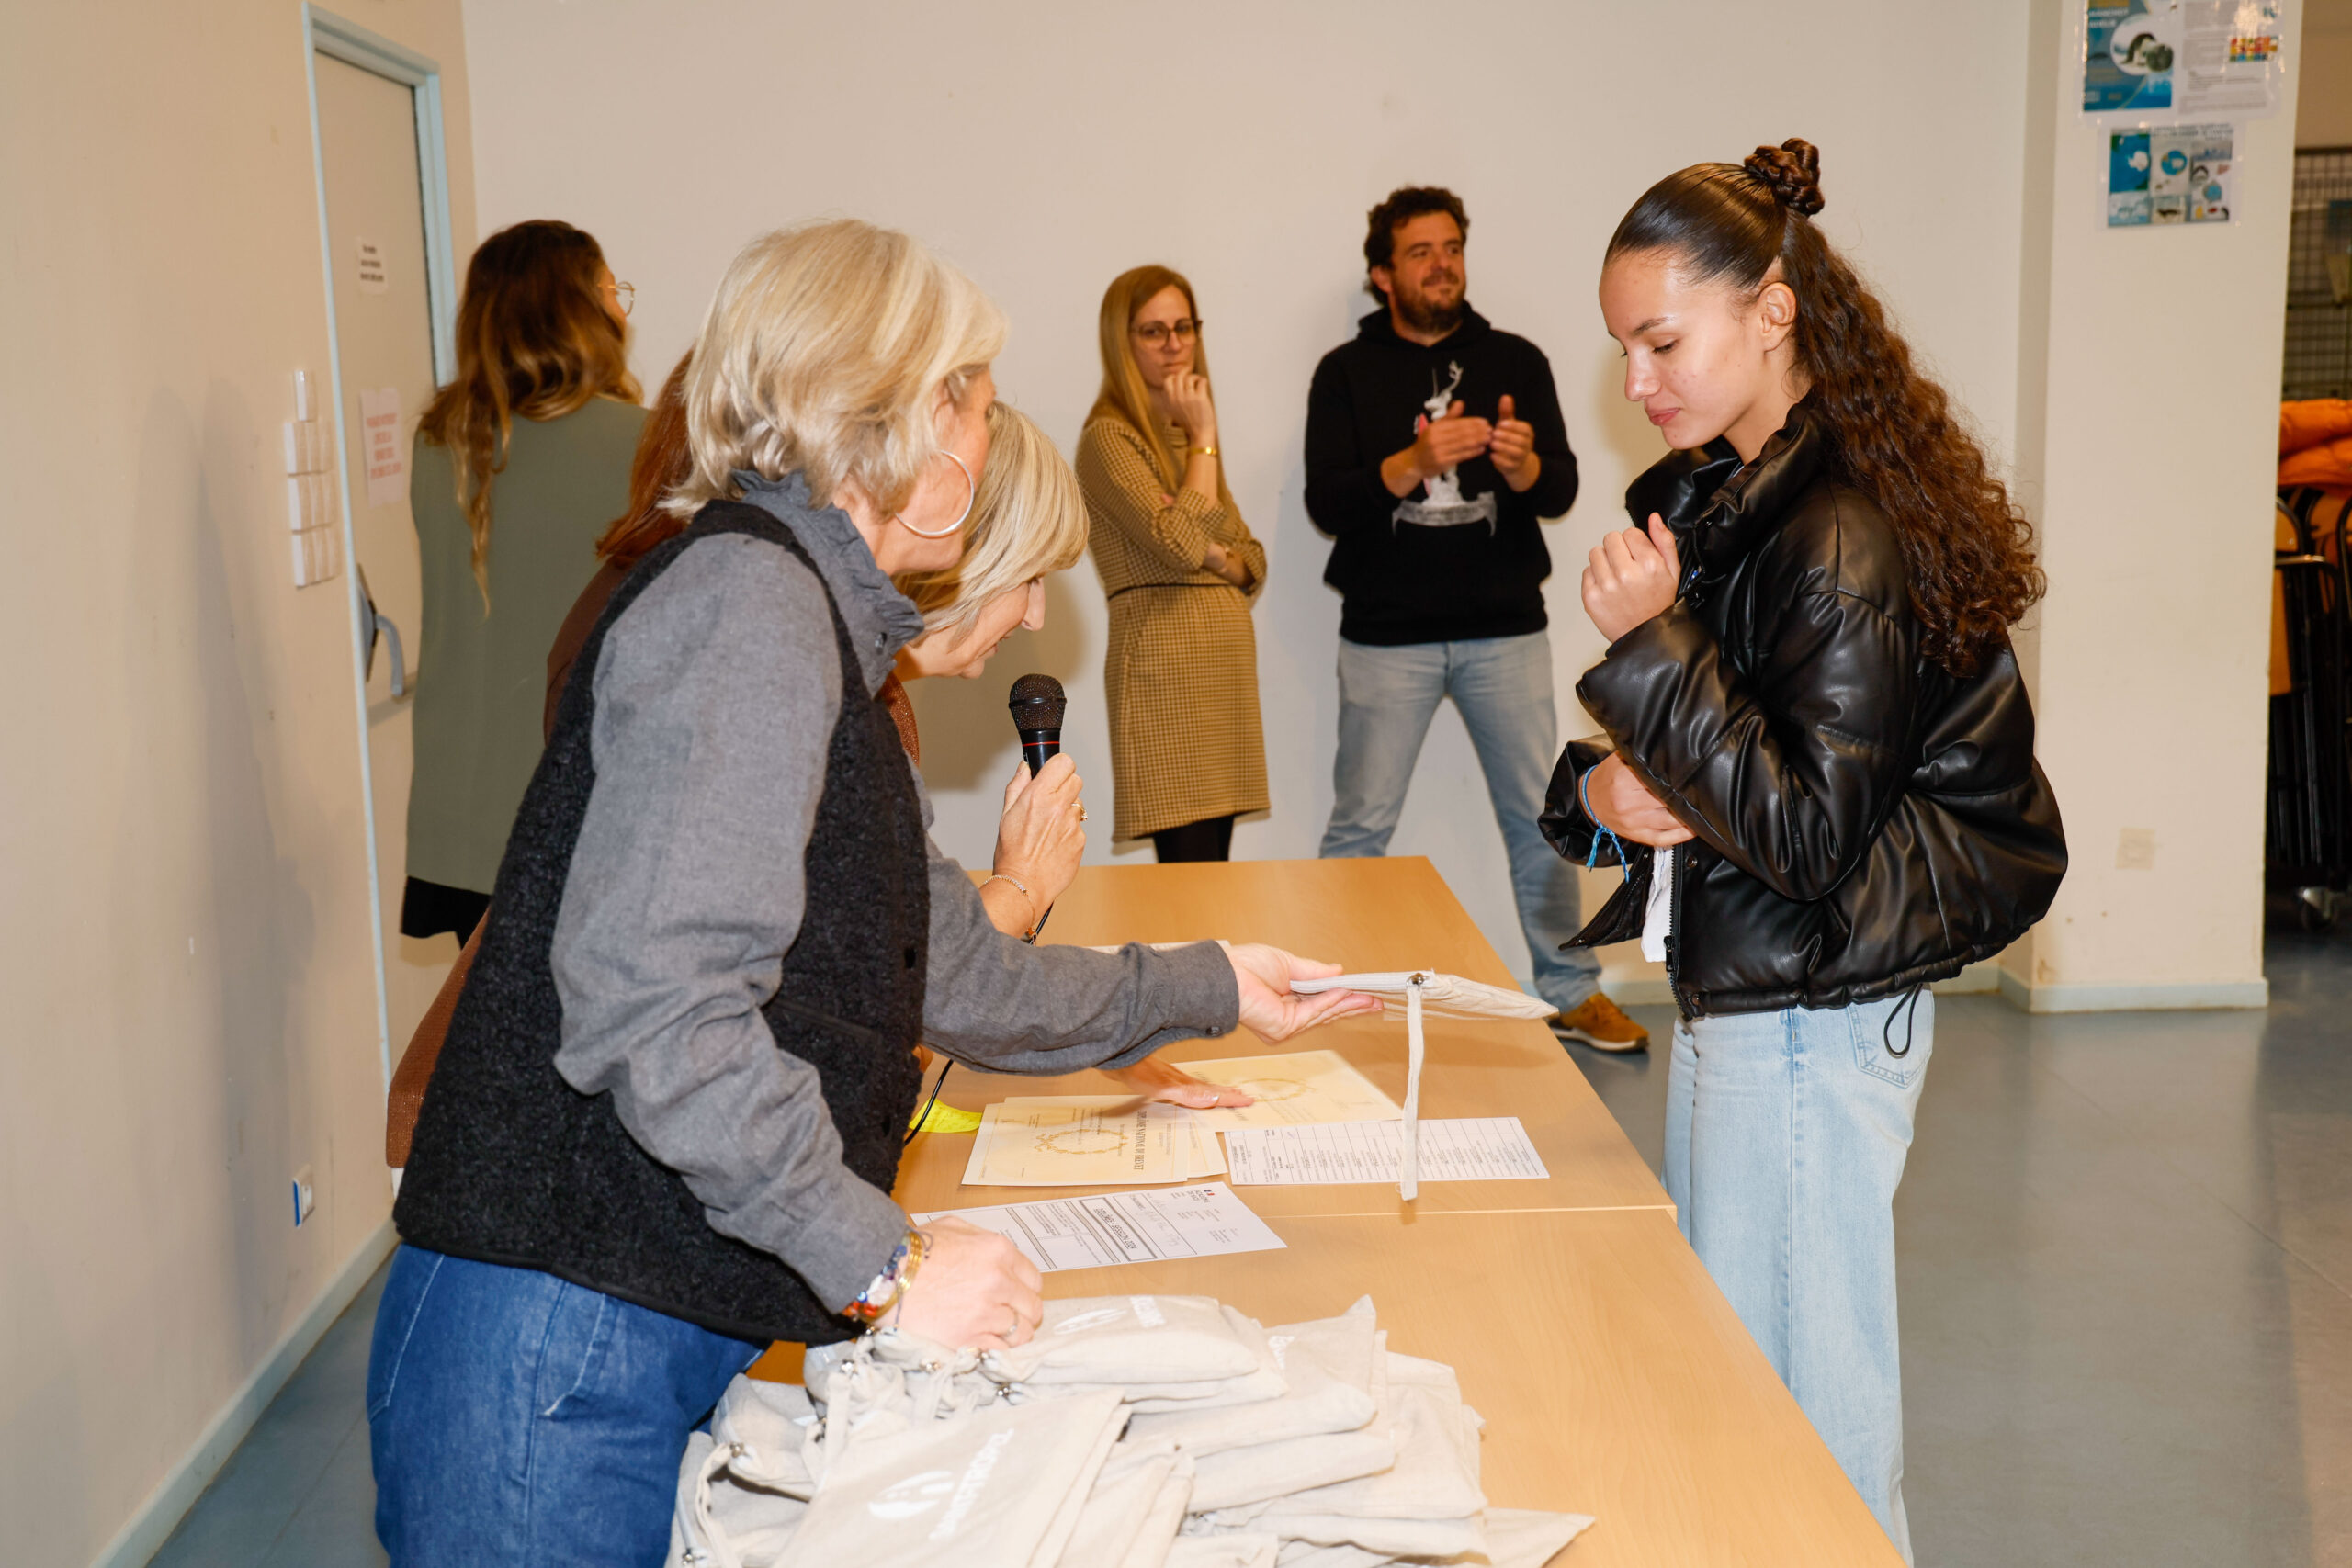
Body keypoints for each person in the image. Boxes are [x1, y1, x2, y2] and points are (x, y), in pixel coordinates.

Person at [371, 220, 1371, 1566]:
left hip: (628, 1305)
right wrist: (887, 1265)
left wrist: (1218, 983)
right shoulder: (751, 607)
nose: (985, 435)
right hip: (556, 1335)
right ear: (892, 421)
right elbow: (660, 1013)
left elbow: (956, 969)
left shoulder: (815, 622)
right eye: (976, 401)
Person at [1544, 140, 2066, 1562]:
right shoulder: (1731, 501)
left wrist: (1650, 645)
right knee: (1749, 1391)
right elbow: (1703, 766)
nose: (1638, 379)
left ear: (1771, 311)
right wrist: (1602, 789)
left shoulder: (1833, 535)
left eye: (1663, 341)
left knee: (1807, 1426)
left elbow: (1801, 832)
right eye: (1625, 347)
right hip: (1769, 994)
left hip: (1807, 1015)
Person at [1305, 186, 1645, 1052]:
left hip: (1506, 631)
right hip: (1384, 636)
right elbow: (1326, 503)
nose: (1442, 264)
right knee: (1359, 827)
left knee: (1545, 819)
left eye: (1451, 247)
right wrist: (1413, 461)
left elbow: (1560, 488)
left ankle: (1572, 992)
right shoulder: (1345, 373)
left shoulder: (1515, 361)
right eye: (1420, 252)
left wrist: (1525, 468)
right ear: (1384, 274)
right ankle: (1328, 993)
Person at [402, 220, 645, 942]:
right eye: (614, 291)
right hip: (576, 812)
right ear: (583, 309)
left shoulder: (438, 443)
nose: (623, 310)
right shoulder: (644, 444)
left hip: (459, 814)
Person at [1076, 265, 1268, 863]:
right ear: (1122, 340)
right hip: (1166, 677)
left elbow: (1253, 562)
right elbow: (1182, 545)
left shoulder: (1183, 440)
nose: (1174, 344)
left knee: (1215, 880)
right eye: (1153, 331)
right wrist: (1205, 437)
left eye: (1184, 327)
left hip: (1223, 679)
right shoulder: (1109, 439)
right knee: (1190, 880)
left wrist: (1211, 548)